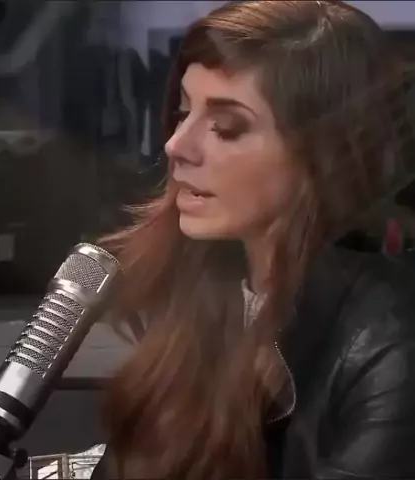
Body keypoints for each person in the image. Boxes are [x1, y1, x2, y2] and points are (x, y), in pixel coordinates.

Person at [89, 1, 415, 479]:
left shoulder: (390, 339)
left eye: (226, 128)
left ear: (325, 154)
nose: (176, 145)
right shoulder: (205, 300)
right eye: (183, 112)